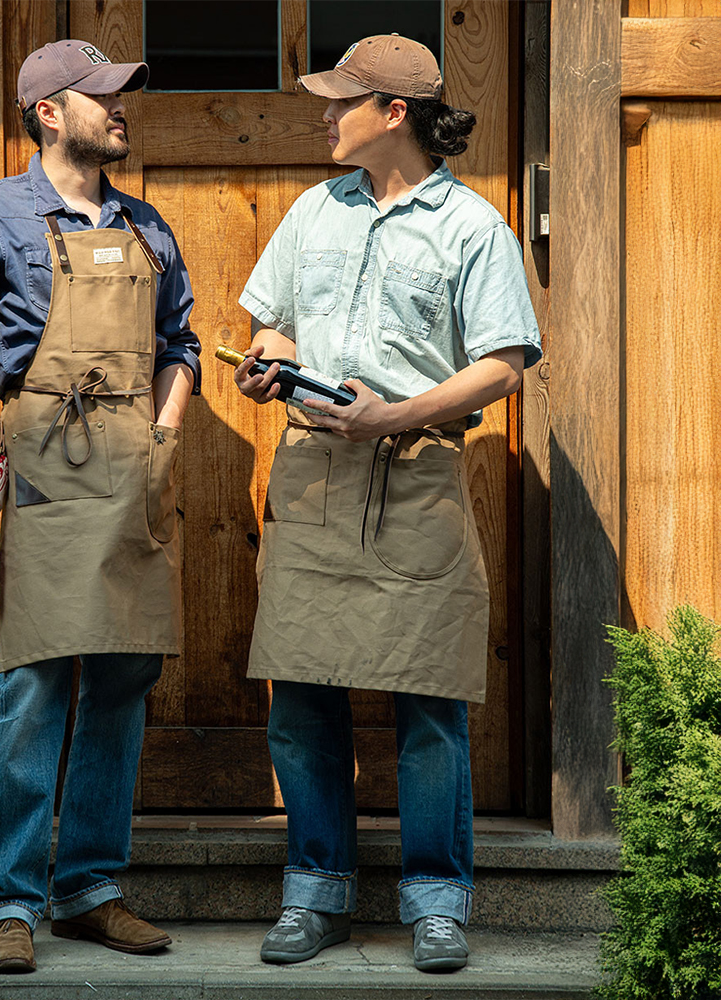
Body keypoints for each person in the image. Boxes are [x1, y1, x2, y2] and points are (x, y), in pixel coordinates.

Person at [231, 35, 541, 972]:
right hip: (314, 475)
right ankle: (314, 892)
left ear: (393, 113)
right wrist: (270, 362)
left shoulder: (473, 228)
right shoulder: (311, 213)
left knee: (431, 701)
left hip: (416, 478)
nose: (324, 117)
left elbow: (505, 361)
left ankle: (437, 903)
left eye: (340, 102)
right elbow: (273, 313)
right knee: (302, 695)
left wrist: (394, 414)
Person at [0, 39, 200, 974]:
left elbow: (180, 342)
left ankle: (91, 889)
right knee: (31, 687)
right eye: (102, 97)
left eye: (122, 96)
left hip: (132, 467)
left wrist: (165, 433)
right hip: (41, 458)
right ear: (47, 112)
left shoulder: (148, 225)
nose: (121, 110)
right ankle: (14, 901)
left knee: (119, 683)